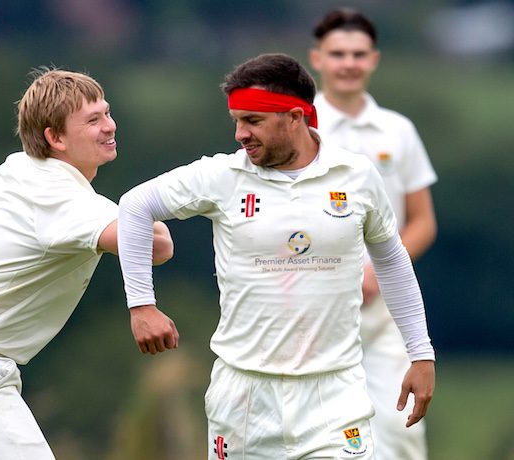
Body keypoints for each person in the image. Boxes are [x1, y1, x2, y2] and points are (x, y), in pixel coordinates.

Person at [117, 53, 435, 459]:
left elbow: (392, 263)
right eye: (236, 121)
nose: (239, 134)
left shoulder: (356, 176)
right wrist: (142, 304)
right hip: (245, 396)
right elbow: (134, 206)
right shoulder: (222, 177)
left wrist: (420, 353)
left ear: (295, 116)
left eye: (253, 121)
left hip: (334, 395)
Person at [0, 67, 174, 459]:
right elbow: (157, 246)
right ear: (55, 137)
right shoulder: (64, 199)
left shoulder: (18, 166)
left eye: (107, 112)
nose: (109, 126)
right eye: (93, 120)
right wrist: (146, 214)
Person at [308, 9, 438, 459]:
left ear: (374, 59)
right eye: (338, 53)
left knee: (398, 432)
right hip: (313, 307)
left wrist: (378, 274)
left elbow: (422, 221)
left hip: (385, 314)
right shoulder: (298, 129)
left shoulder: (398, 131)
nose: (349, 63)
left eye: (359, 54)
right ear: (317, 58)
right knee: (318, 433)